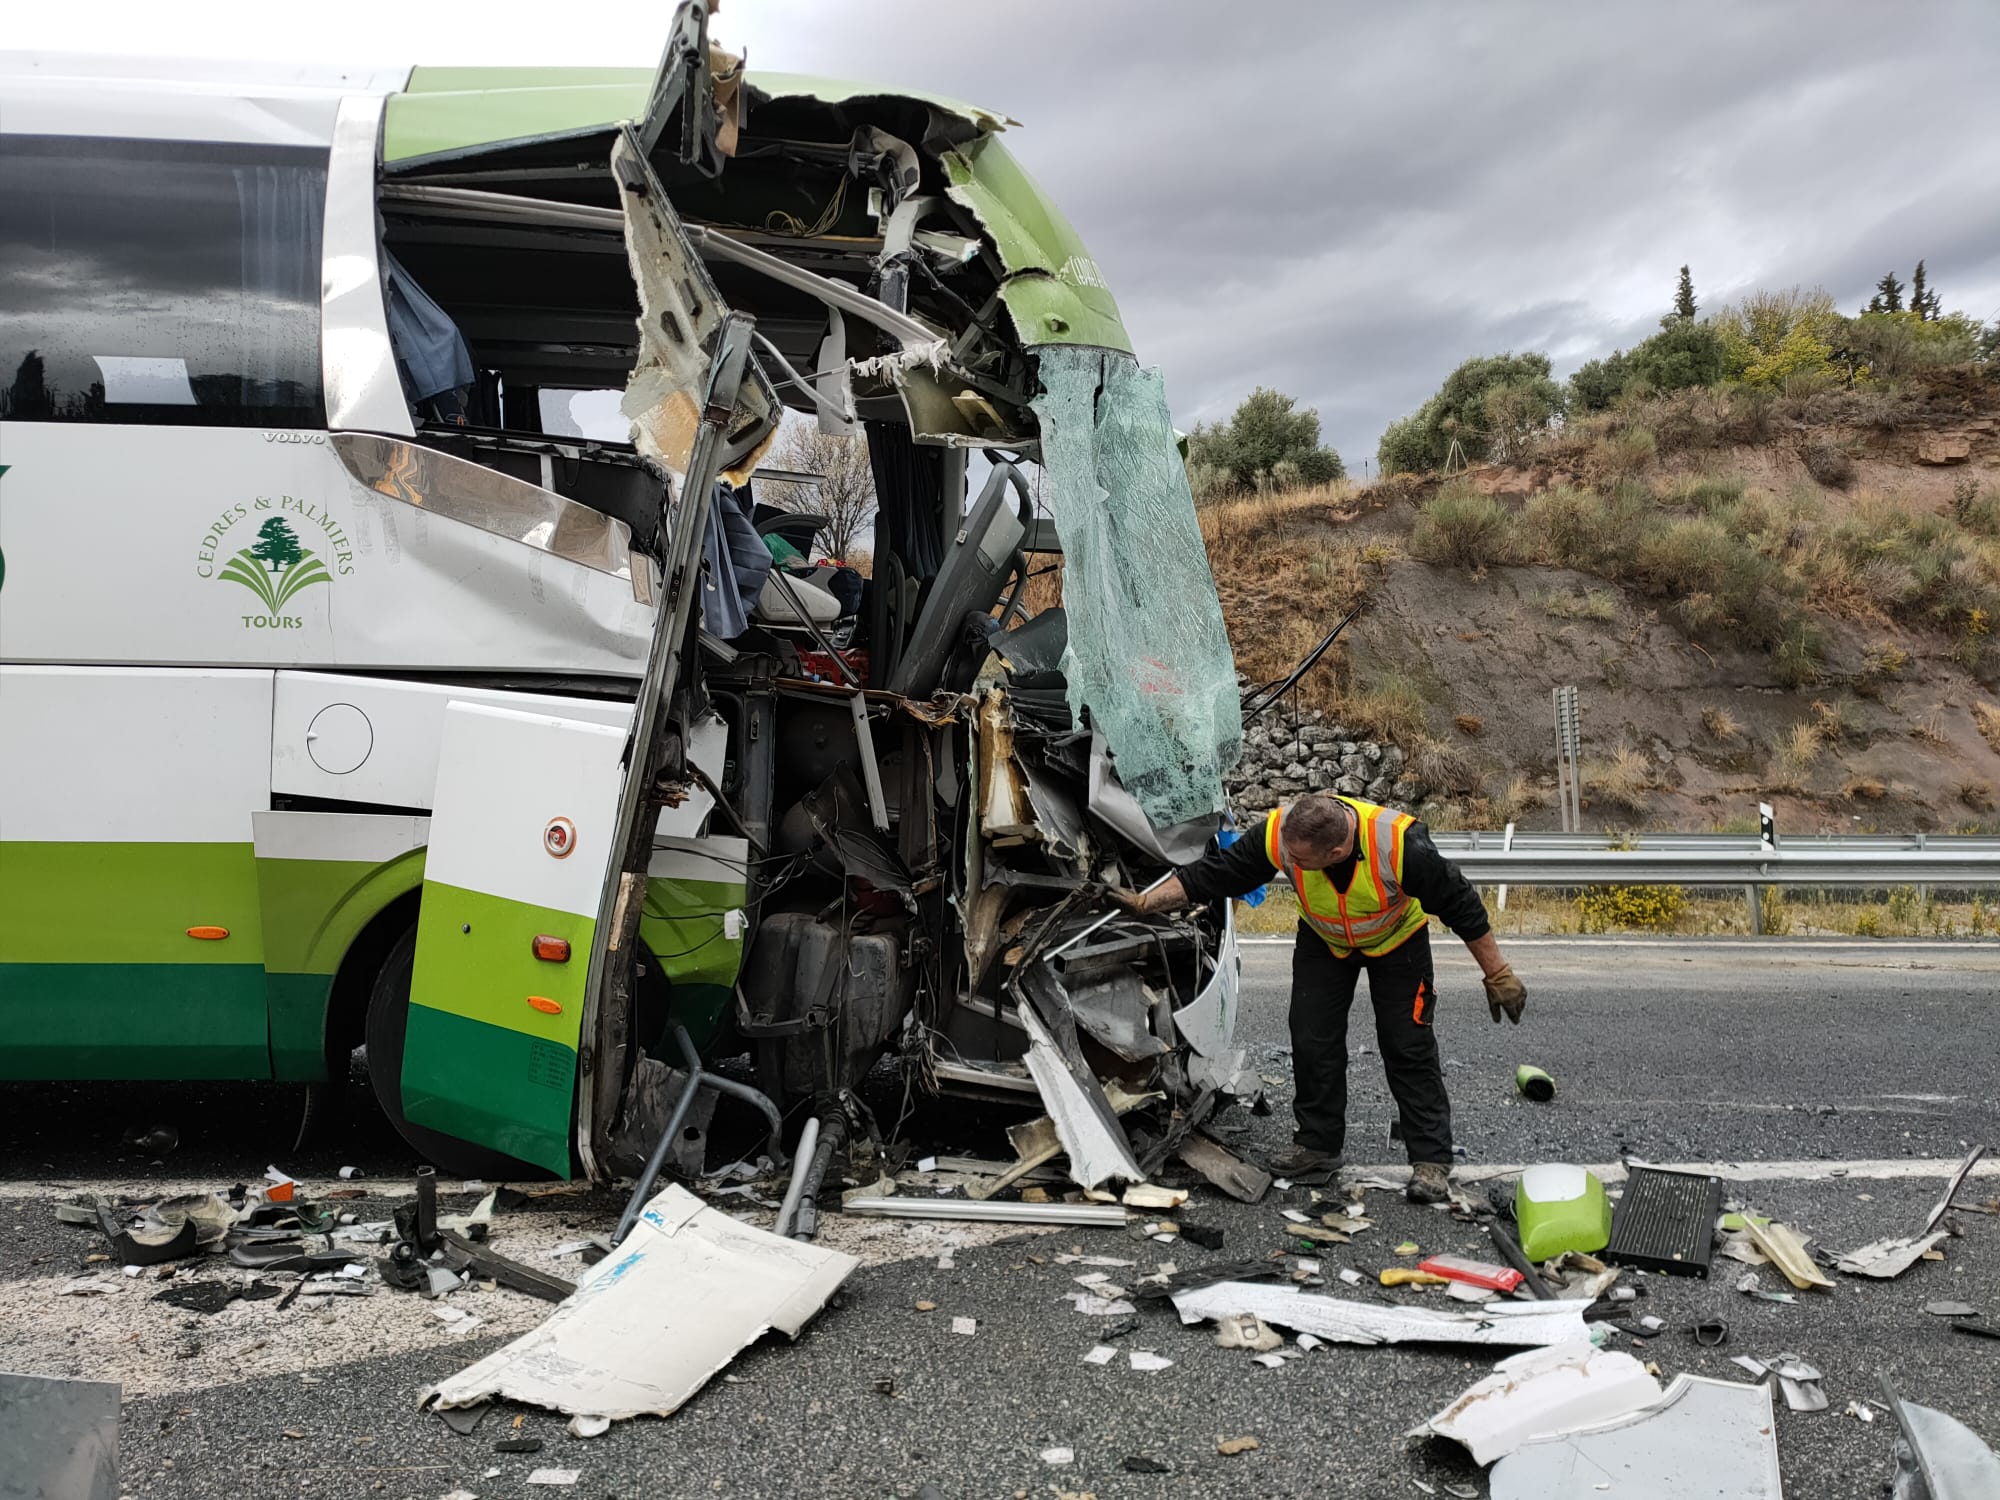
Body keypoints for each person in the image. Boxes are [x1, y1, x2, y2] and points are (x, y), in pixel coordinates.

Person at [1115, 792, 1526, 1204]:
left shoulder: (1402, 846)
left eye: (1300, 860)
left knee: (1408, 1045)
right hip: (1324, 941)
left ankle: (1431, 1161)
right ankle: (1317, 1146)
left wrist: (1498, 973)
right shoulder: (1282, 833)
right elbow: (1219, 873)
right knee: (1312, 1040)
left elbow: (1462, 906)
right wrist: (1145, 902)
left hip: (1397, 942)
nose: (1290, 865)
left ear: (1337, 850)